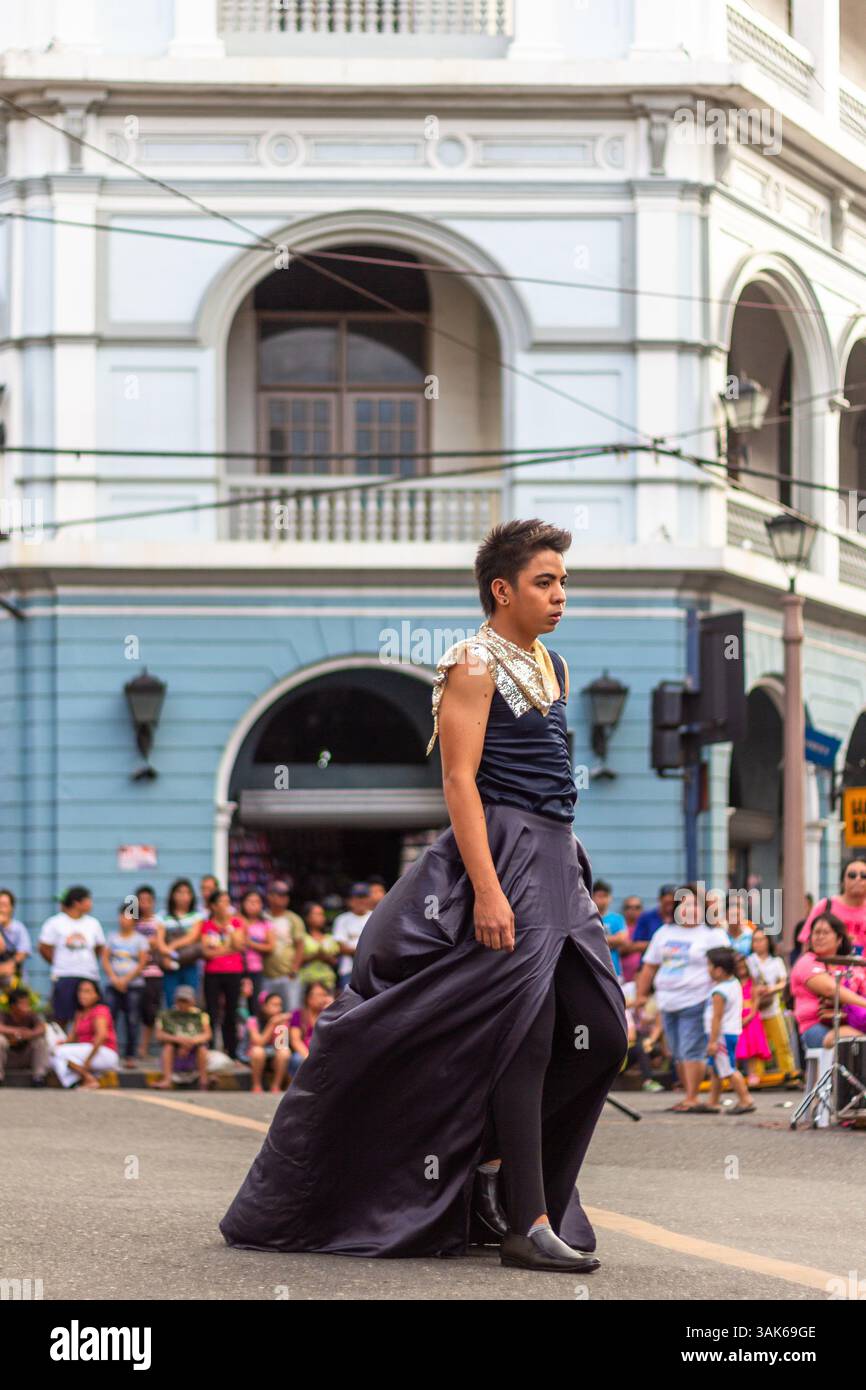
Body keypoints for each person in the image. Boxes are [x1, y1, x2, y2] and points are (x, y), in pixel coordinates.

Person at [220, 517, 628, 1272]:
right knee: (526, 1034)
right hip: (503, 853)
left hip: (558, 859)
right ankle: (527, 1224)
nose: (560, 594)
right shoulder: (470, 663)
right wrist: (487, 890)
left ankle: (498, 1177)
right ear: (502, 589)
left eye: (564, 580)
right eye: (546, 581)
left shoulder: (555, 665)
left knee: (602, 1033)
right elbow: (458, 781)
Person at [634, 884, 729, 1113]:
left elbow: (727, 967)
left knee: (691, 1049)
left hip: (697, 1000)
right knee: (676, 1051)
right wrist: (640, 995)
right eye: (685, 905)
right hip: (668, 1002)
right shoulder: (664, 933)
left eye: (694, 905)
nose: (689, 910)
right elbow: (649, 967)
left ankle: (692, 1097)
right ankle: (689, 1096)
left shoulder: (713, 935)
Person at [790, 912, 866, 1051]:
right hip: (816, 1027)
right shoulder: (806, 961)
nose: (819, 937)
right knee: (856, 1039)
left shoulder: (850, 965)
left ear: (839, 939)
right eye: (816, 932)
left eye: (825, 932)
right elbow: (830, 990)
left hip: (851, 1022)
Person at [37, 887, 106, 1027]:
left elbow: (99, 947)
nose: (91, 903)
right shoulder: (55, 922)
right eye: (88, 900)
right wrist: (58, 962)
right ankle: (62, 1046)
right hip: (64, 975)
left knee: (90, 1016)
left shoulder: (93, 923)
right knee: (61, 1016)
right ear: (77, 903)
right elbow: (44, 947)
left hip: (88, 975)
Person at [700, 948, 755, 1114]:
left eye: (709, 965)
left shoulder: (720, 991)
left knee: (729, 1068)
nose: (708, 969)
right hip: (730, 1032)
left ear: (719, 969)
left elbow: (717, 1017)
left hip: (721, 1035)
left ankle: (746, 1099)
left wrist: (712, 1042)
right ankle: (713, 1101)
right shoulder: (733, 984)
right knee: (717, 1068)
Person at [101, 902, 150, 1069]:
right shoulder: (112, 937)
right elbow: (106, 959)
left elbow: (142, 962)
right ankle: (109, 1053)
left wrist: (126, 979)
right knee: (109, 1018)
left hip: (134, 985)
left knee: (132, 1020)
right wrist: (114, 978)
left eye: (128, 916)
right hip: (113, 984)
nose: (124, 919)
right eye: (122, 915)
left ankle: (130, 1055)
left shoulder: (140, 940)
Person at [747, 928, 797, 1081]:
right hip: (754, 1009)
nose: (758, 943)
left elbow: (783, 982)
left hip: (772, 1008)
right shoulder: (749, 961)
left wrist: (770, 989)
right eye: (755, 940)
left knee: (782, 1043)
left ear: (768, 941)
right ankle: (758, 1077)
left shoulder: (776, 961)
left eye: (761, 940)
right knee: (757, 1045)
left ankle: (789, 1073)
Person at [200, 890, 246, 1059]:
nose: (227, 905)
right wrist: (228, 950)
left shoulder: (236, 923)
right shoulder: (207, 925)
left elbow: (240, 945)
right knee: (212, 1011)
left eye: (228, 901)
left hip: (233, 972)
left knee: (231, 1013)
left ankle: (232, 1051)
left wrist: (229, 928)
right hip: (212, 973)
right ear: (213, 905)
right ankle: (211, 1050)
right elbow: (206, 952)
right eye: (222, 902)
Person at [50, 980, 119, 1089]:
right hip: (86, 1051)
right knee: (53, 1057)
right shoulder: (79, 1013)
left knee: (60, 1052)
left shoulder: (100, 1010)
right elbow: (72, 1037)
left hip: (104, 1052)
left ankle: (87, 1078)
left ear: (96, 995)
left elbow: (101, 1037)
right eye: (80, 991)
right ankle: (79, 1081)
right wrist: (62, 1043)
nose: (82, 995)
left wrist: (88, 1061)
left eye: (87, 991)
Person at [131, 885, 170, 1060]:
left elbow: (158, 944)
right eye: (141, 901)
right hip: (134, 974)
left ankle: (143, 1048)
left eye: (148, 900)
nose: (145, 904)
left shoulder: (158, 921)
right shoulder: (132, 920)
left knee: (150, 1013)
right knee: (134, 1012)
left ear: (153, 902)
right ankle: (132, 1049)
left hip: (153, 973)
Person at [796, 861, 866, 955]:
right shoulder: (825, 906)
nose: (858, 879)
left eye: (863, 876)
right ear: (842, 881)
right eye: (852, 875)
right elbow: (806, 944)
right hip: (827, 968)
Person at [152, 985, 213, 1090]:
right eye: (180, 1001)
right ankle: (167, 1080)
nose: (182, 1004)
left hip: (193, 1051)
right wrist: (179, 1041)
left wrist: (190, 1043)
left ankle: (203, 1080)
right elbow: (159, 1035)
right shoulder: (165, 1015)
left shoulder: (200, 1015)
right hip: (175, 1052)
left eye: (186, 1001)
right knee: (168, 1047)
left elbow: (207, 1034)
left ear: (193, 1001)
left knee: (202, 1048)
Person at [262, 880, 306, 1012]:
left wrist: (294, 969)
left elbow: (300, 946)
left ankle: (294, 1033)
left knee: (292, 1012)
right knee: (268, 1012)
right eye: (279, 894)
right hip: (265, 975)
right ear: (269, 896)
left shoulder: (294, 919)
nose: (284, 898)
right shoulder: (262, 917)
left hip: (288, 975)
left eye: (286, 895)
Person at [238, 991, 291, 1094]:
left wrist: (281, 1027)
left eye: (280, 1005)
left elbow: (281, 1045)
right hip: (253, 1056)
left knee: (285, 1052)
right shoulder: (252, 1021)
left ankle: (276, 1085)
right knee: (258, 1051)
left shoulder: (281, 1022)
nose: (278, 1008)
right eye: (274, 1005)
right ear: (264, 1007)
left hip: (273, 1056)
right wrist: (271, 1024)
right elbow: (258, 1042)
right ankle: (256, 1085)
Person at [162, 879, 203, 1006]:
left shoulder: (197, 916)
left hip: (189, 963)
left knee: (191, 999)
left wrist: (172, 946)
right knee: (171, 1000)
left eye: (187, 893)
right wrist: (167, 955)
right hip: (170, 965)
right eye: (179, 892)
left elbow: (193, 937)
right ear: (173, 895)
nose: (183, 896)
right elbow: (159, 941)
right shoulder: (163, 916)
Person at [733, 951, 771, 1085]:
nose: (741, 969)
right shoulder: (734, 984)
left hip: (750, 1018)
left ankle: (752, 1073)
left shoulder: (752, 983)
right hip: (737, 1017)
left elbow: (755, 1002)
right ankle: (733, 1073)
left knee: (752, 1047)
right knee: (737, 1047)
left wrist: (749, 1017)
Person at [0, 986, 50, 1087]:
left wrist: (29, 1034)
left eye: (27, 1003)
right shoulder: (4, 1016)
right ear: (12, 1006)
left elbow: (42, 1028)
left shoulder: (32, 1016)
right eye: (22, 1004)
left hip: (26, 1056)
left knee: (40, 1041)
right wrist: (16, 1032)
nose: (26, 1007)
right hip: (8, 1058)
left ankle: (38, 1077)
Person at [287, 982, 333, 1080]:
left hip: (323, 1053)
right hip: (304, 1053)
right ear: (308, 997)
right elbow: (295, 1040)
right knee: (297, 1059)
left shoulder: (329, 1015)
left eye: (325, 995)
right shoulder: (298, 1014)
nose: (323, 999)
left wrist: (332, 1010)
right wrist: (308, 1057)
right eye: (319, 995)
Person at [332, 884, 372, 992]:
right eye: (357, 897)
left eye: (363, 897)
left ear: (369, 899)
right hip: (348, 970)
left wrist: (355, 950)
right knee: (348, 1004)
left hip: (370, 969)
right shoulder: (342, 919)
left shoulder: (375, 917)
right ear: (350, 900)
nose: (361, 901)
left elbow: (380, 945)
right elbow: (341, 948)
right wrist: (365, 951)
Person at [237, 890, 273, 1010]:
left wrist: (250, 943)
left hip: (256, 969)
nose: (253, 905)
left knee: (254, 1005)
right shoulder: (236, 920)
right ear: (243, 903)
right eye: (249, 901)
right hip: (237, 968)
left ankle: (252, 1027)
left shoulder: (265, 923)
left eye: (257, 902)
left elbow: (270, 947)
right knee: (237, 1004)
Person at [298, 902, 341, 993]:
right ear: (307, 917)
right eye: (317, 914)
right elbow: (296, 961)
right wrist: (315, 956)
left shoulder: (329, 938)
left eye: (322, 914)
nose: (321, 917)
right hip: (307, 982)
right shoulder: (302, 938)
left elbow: (336, 962)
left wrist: (325, 957)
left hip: (327, 981)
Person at [592, 879, 627, 981]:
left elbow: (622, 939)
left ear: (610, 898)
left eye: (605, 896)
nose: (602, 900)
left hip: (614, 970)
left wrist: (596, 940)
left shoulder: (617, 918)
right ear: (592, 897)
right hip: (593, 969)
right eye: (599, 896)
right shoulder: (587, 919)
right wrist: (611, 941)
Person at [0, 889, 32, 987]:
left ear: (11, 908)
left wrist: (9, 965)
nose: (1, 909)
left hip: (14, 976)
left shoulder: (18, 928)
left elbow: (23, 952)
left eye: (4, 905)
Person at [618, 894, 644, 985]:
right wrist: (641, 945)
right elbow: (618, 950)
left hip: (641, 979)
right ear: (624, 910)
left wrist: (630, 946)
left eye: (637, 907)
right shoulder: (619, 927)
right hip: (620, 978)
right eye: (629, 907)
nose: (633, 910)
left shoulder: (645, 928)